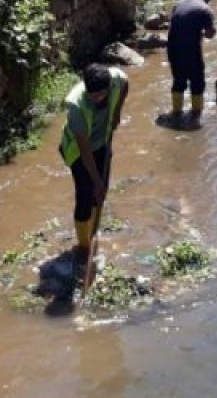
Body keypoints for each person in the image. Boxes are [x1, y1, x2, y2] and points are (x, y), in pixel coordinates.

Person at [58, 64, 128, 282]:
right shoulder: (76, 106)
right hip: (79, 151)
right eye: (92, 95)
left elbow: (126, 83)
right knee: (85, 192)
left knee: (101, 191)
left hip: (102, 142)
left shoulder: (115, 78)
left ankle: (95, 227)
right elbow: (84, 149)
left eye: (101, 95)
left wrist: (116, 112)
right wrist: (96, 181)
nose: (97, 99)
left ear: (108, 87)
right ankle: (84, 246)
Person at [164, 0, 216, 128]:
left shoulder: (180, 3)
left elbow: (176, 20)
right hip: (191, 50)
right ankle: (195, 114)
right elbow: (210, 34)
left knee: (179, 79)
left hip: (172, 48)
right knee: (197, 81)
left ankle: (176, 113)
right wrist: (204, 32)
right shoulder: (205, 10)